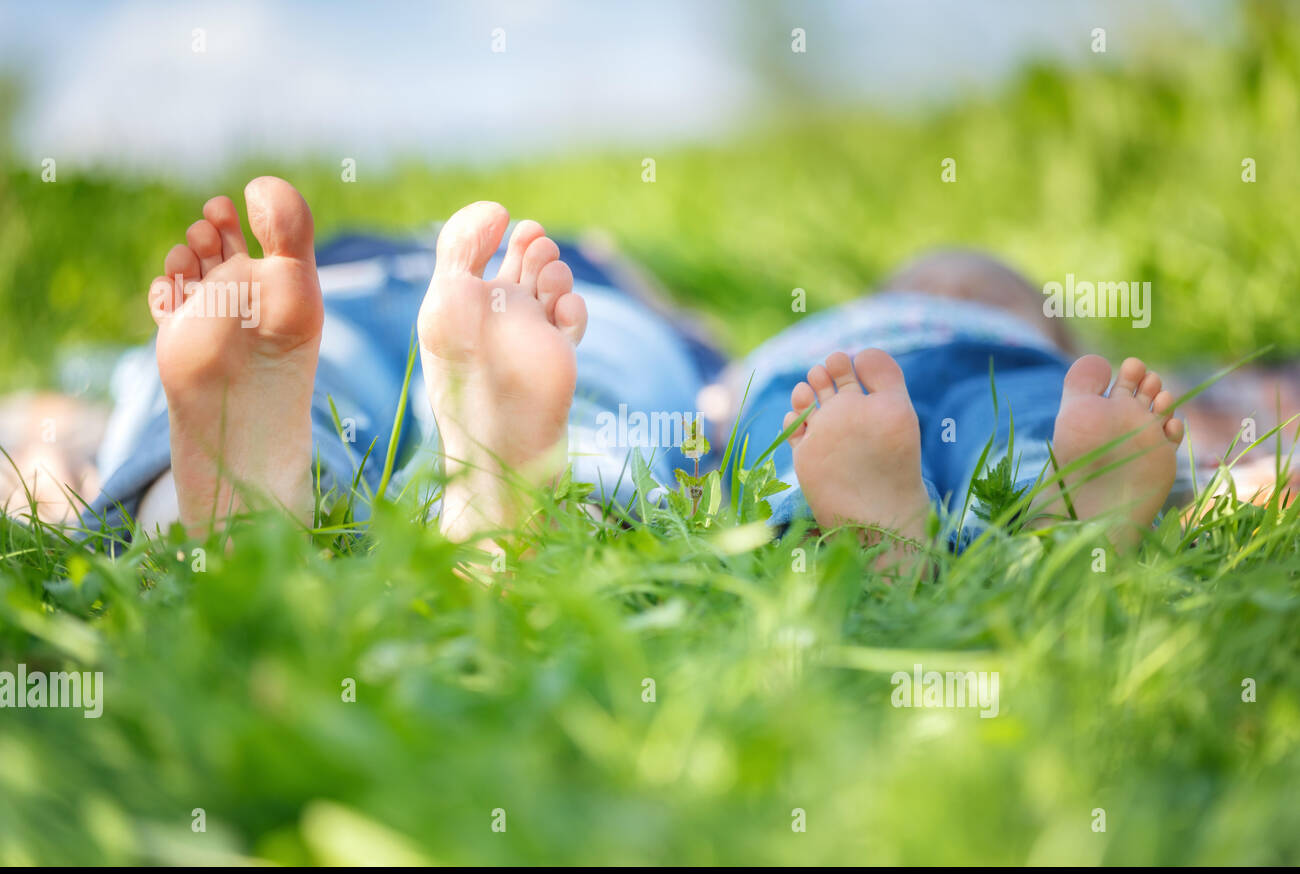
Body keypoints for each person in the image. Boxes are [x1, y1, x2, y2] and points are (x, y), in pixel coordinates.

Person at [9, 178, 1205, 556]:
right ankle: (508, 494)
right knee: (619, 388)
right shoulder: (628, 305)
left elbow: (37, 409)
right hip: (595, 324)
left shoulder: (647, 309)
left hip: (332, 304)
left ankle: (213, 507)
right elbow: (718, 394)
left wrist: (42, 449)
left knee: (292, 391)